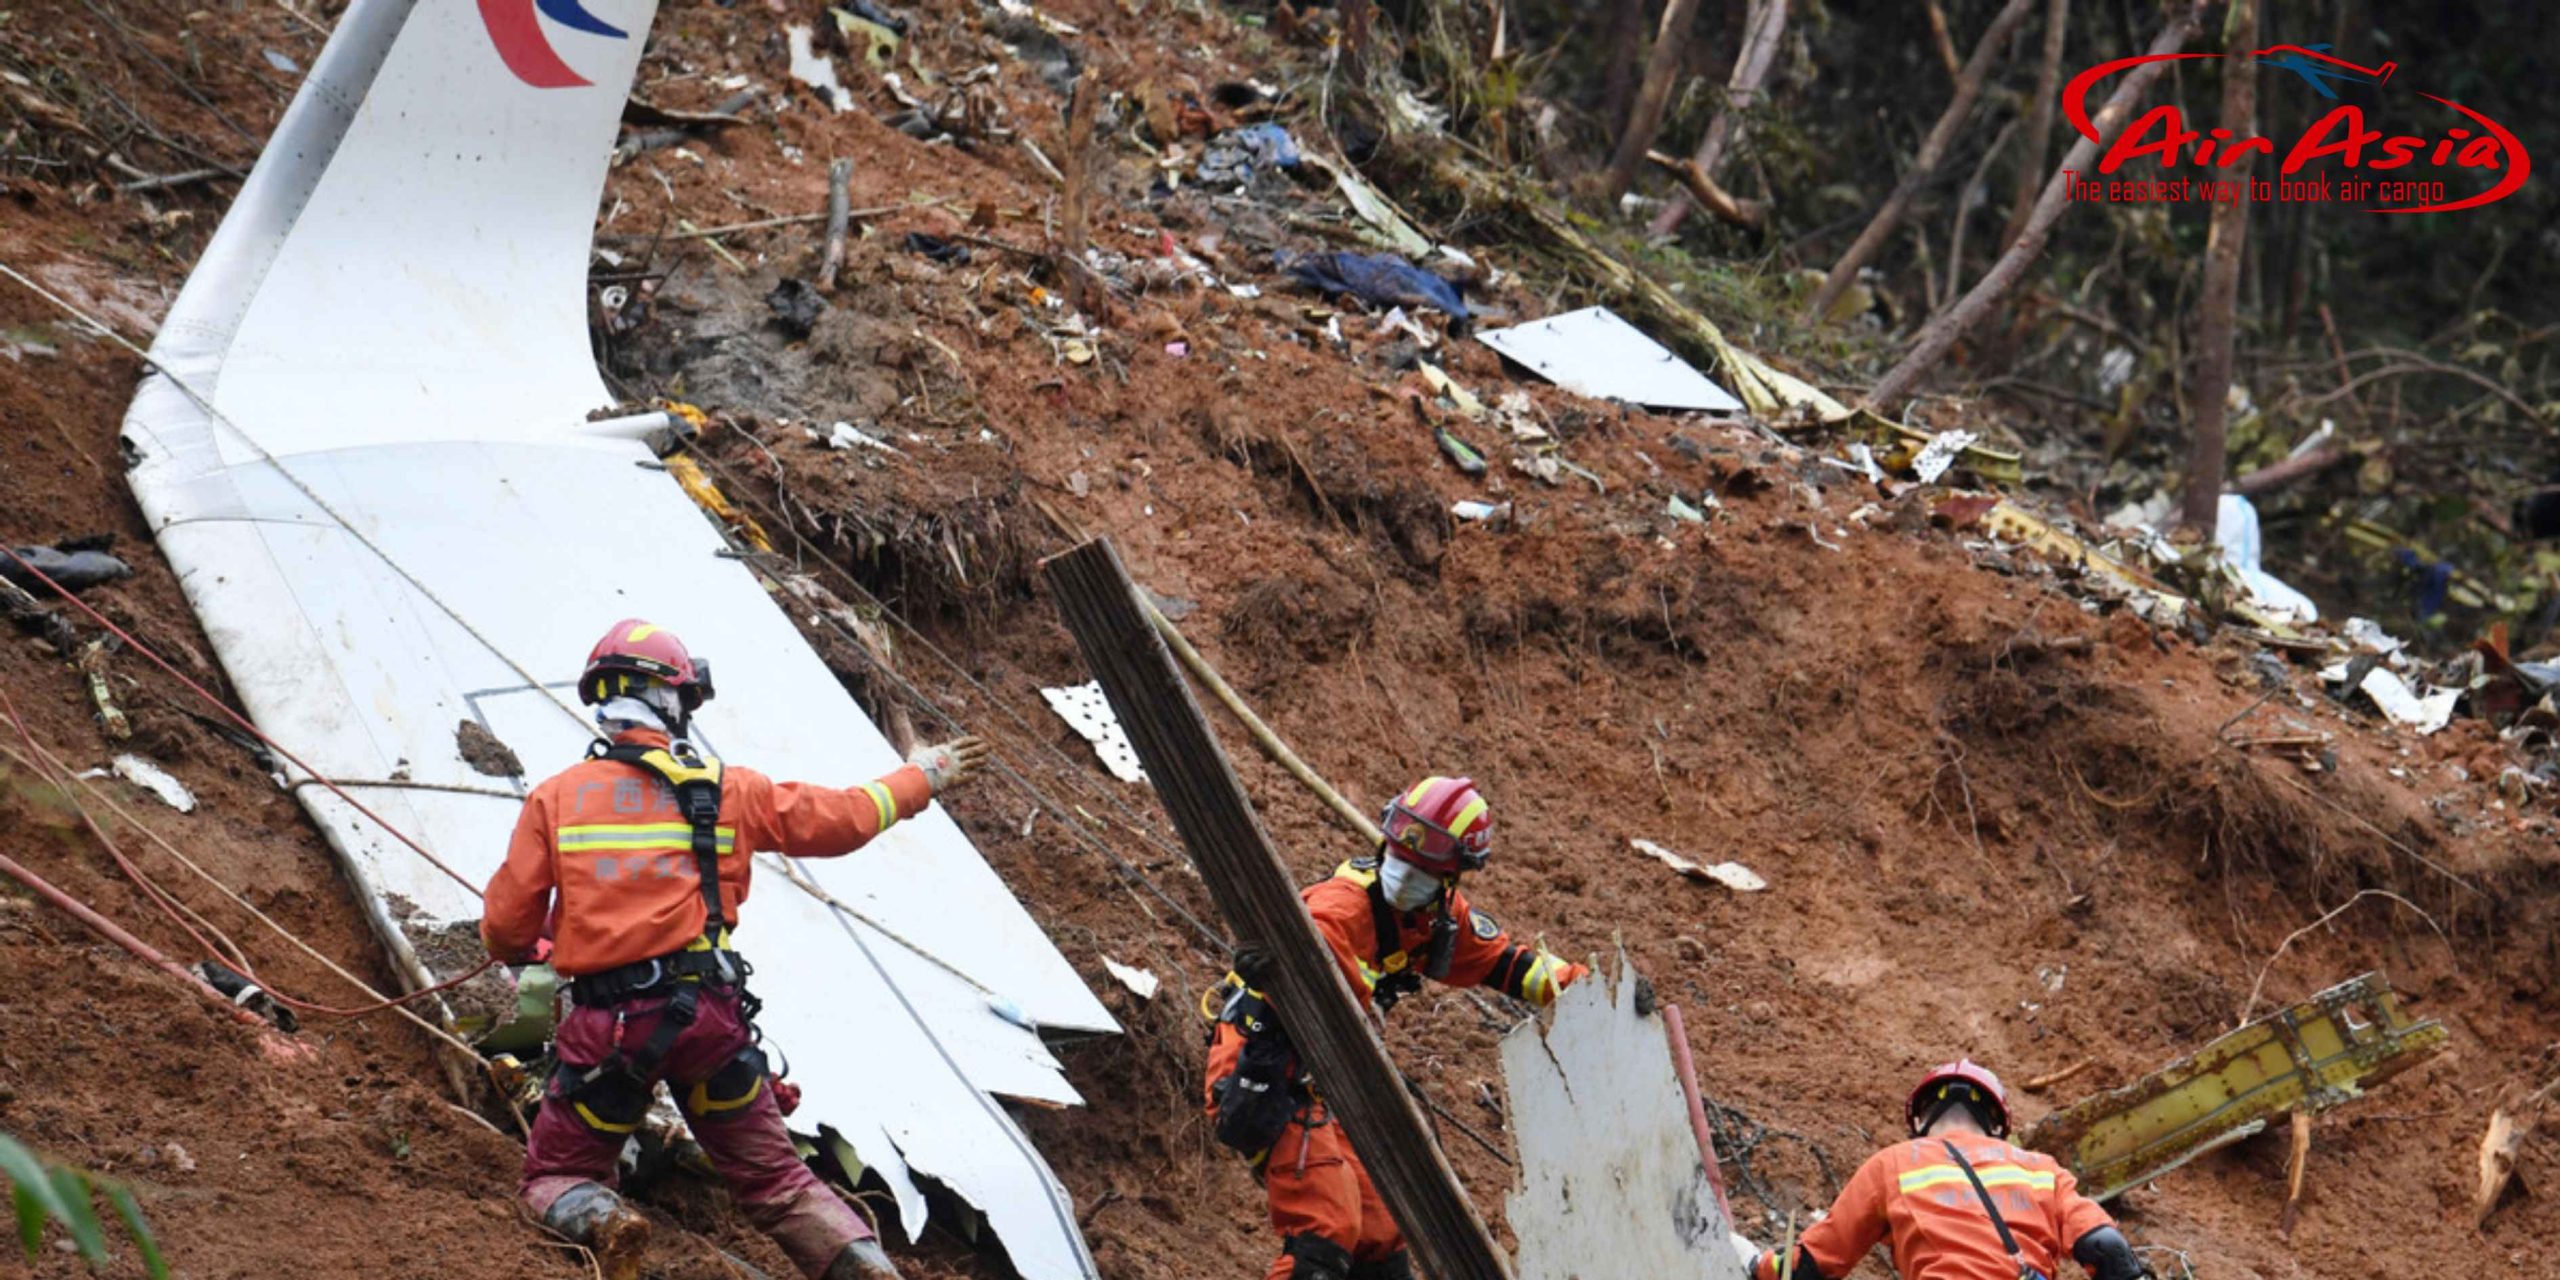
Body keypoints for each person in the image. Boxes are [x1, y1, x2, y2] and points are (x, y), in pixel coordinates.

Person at [480, 619, 990, 1280]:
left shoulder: (556, 798)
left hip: (610, 1032)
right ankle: (862, 1264)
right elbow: (846, 819)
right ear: (672, 699)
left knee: (557, 1173)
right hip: (712, 1023)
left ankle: (605, 1218)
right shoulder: (732, 790)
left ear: (605, 700)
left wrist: (535, 944)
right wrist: (926, 774)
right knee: (778, 1184)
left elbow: (506, 928)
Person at [1201, 776, 1590, 1280]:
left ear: (1450, 879)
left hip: (1325, 1083)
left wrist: (1595, 994)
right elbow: (1309, 990)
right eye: (1401, 859)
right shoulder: (1334, 914)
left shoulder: (1434, 918)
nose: (1405, 875)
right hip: (1264, 1069)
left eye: (1424, 871)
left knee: (1382, 1235)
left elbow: (1512, 967)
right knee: (1326, 1229)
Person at [1742, 1060, 2152, 1280]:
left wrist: (1754, 1265)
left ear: (1920, 1120)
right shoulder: (2042, 1170)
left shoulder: (1895, 1163)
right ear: (1996, 1125)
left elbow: (1816, 1262)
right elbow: (2108, 1251)